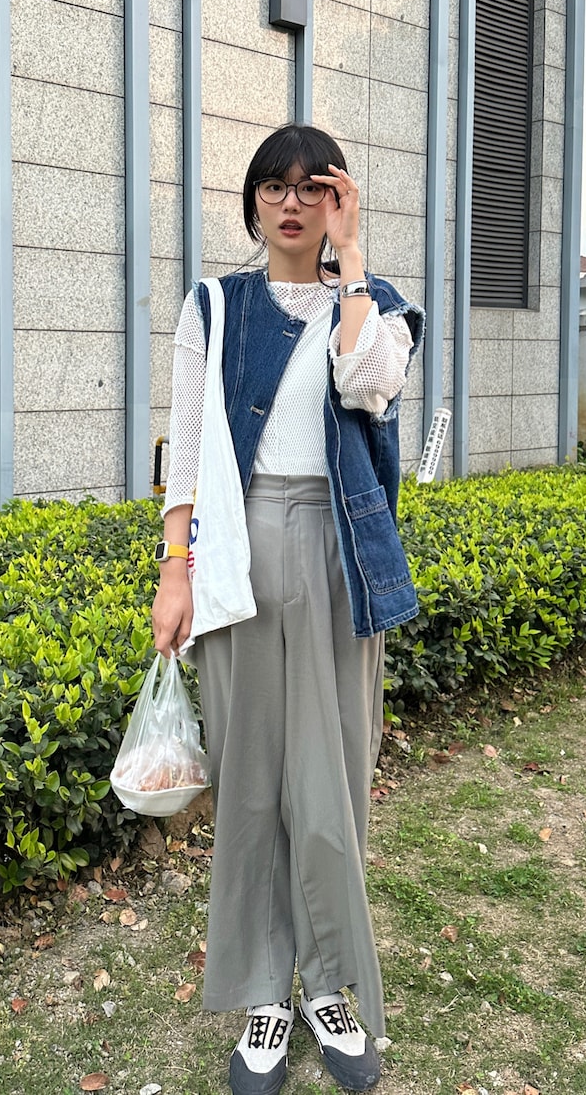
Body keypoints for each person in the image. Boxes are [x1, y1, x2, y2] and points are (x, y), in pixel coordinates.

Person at [151, 123, 424, 1095]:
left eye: (316, 187)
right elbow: (186, 447)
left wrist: (353, 270)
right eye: (275, 186)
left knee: (332, 784)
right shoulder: (214, 307)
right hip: (237, 554)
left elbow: (370, 385)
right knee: (251, 782)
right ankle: (266, 991)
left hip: (338, 558)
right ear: (253, 202)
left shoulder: (380, 309)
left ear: (338, 201)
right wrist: (174, 569)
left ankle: (328, 984)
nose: (293, 203)